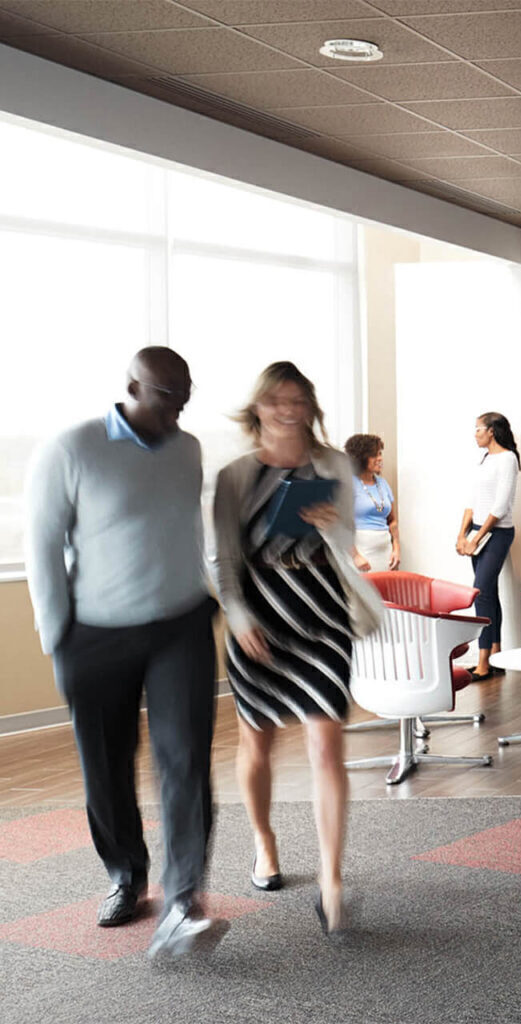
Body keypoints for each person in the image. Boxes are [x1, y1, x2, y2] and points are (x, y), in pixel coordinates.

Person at [24, 346, 224, 957]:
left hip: (180, 626)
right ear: (132, 386)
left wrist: (208, 592)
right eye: (169, 396)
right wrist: (57, 637)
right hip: (97, 635)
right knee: (106, 768)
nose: (180, 408)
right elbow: (40, 542)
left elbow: (185, 531)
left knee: (186, 759)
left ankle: (184, 894)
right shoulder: (71, 449)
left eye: (187, 395)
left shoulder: (188, 449)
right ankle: (126, 875)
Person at [213, 361, 383, 935]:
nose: (287, 408)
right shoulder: (235, 475)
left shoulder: (332, 464)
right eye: (275, 399)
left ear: (310, 406)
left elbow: (342, 544)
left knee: (325, 747)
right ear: (257, 407)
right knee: (256, 745)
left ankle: (332, 880)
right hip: (260, 618)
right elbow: (223, 558)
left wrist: (334, 524)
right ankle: (264, 842)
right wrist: (236, 617)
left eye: (298, 398)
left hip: (322, 615)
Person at [456, 412, 519, 681]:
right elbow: (472, 501)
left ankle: (483, 662)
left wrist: (476, 538)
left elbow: (500, 506)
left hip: (497, 534)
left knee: (480, 592)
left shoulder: (507, 459)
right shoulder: (484, 460)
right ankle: (495, 655)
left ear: (491, 431)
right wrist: (461, 535)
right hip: (477, 532)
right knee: (488, 593)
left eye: (478, 429)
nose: (475, 433)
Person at [344, 433, 399, 572]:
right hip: (361, 552)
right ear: (360, 459)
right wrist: (355, 556)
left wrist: (396, 549)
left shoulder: (383, 484)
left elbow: (392, 522)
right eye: (374, 455)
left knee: (384, 593)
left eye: (380, 454)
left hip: (385, 552)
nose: (380, 459)